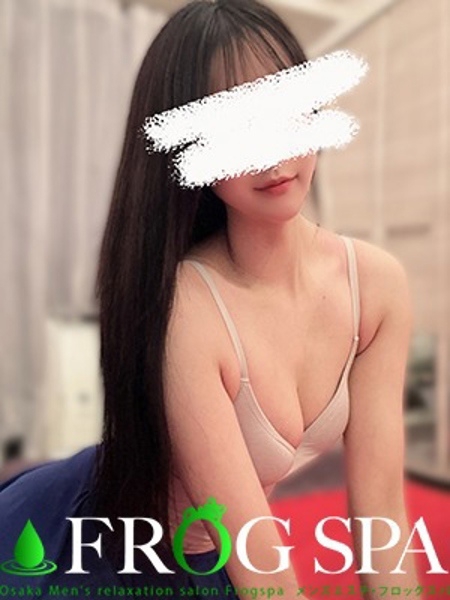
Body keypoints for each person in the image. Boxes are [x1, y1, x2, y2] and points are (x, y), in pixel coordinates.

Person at [0, 0, 420, 597]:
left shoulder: (375, 285)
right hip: (98, 549)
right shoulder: (187, 308)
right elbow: (260, 565)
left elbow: (383, 516)